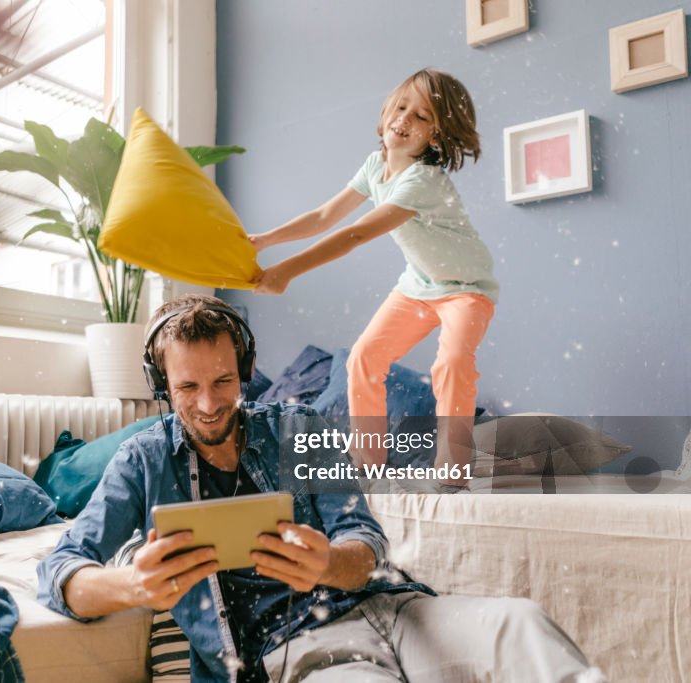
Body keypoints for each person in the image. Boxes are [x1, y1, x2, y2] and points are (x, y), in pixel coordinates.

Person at [37, 294, 601, 682]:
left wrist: (327, 563)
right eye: (187, 386)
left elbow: (364, 540)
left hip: (395, 610)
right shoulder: (143, 460)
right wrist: (133, 586)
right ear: (162, 383)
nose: (208, 404)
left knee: (520, 623)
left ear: (246, 369)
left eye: (224, 381)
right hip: (302, 644)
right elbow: (63, 568)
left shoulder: (297, 429)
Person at [250, 69, 497, 484]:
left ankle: (452, 469)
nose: (404, 119)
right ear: (386, 112)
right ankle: (368, 466)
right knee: (365, 355)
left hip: (465, 291)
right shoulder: (375, 165)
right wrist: (264, 241)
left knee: (452, 360)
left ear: (435, 137)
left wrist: (285, 272)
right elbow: (324, 217)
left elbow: (355, 233)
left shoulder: (423, 181)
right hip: (418, 285)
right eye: (401, 107)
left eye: (421, 117)